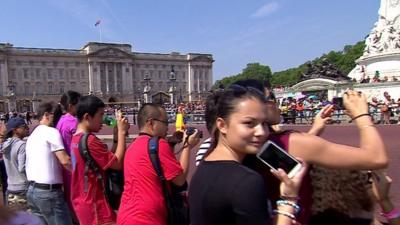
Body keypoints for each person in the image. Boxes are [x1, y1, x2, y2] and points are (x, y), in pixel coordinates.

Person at [189, 85, 308, 225]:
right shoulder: (247, 181)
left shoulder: (204, 166)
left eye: (264, 123)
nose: (262, 132)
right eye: (249, 123)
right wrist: (289, 200)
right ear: (222, 125)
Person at [117, 103, 200, 225]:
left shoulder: (132, 146)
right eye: (165, 122)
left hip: (126, 215)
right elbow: (180, 179)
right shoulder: (159, 144)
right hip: (147, 219)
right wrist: (187, 146)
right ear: (151, 123)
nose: (168, 127)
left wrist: (170, 145)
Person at [70, 95, 129, 225]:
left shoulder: (76, 139)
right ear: (87, 117)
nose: (102, 120)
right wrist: (122, 132)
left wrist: (115, 139)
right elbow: (117, 163)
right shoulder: (90, 141)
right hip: (95, 204)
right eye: (100, 115)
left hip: (82, 201)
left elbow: (107, 159)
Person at [25, 102, 73, 225]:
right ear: (46, 115)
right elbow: (65, 160)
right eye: (56, 115)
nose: (58, 119)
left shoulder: (33, 134)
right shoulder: (51, 132)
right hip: (48, 192)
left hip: (32, 190)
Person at [54, 90, 81, 220]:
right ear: (71, 105)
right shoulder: (72, 122)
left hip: (65, 170)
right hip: (74, 167)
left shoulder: (61, 121)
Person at [0, 117, 29, 211]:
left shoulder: (5, 145)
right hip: (22, 187)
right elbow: (22, 168)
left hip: (10, 187)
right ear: (15, 130)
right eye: (24, 127)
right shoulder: (21, 145)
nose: (27, 129)